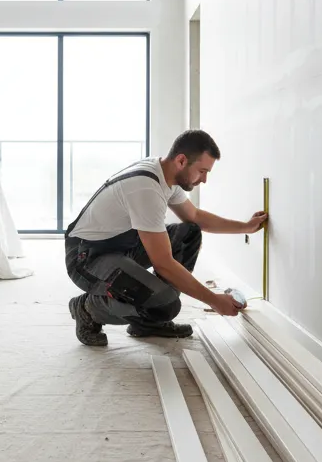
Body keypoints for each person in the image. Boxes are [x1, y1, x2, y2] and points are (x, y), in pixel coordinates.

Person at [65, 129, 268, 347]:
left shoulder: (164, 174)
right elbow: (164, 264)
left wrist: (245, 227)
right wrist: (215, 301)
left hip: (122, 245)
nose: (205, 179)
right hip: (87, 257)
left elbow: (195, 216)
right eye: (202, 171)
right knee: (166, 306)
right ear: (181, 160)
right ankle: (87, 308)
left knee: (189, 233)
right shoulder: (146, 187)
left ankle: (148, 322)